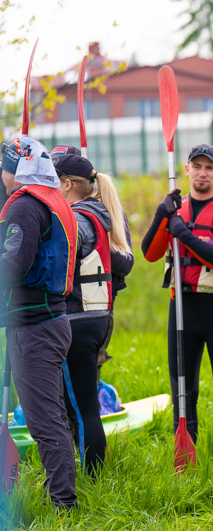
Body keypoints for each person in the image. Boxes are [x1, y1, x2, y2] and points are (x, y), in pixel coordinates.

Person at [141, 143, 213, 449]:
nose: (202, 173)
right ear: (186, 170)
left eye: (209, 167)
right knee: (182, 393)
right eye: (197, 166)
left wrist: (182, 232)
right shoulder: (175, 208)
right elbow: (150, 253)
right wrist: (162, 216)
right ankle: (185, 460)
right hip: (182, 308)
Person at [0, 136, 77, 508]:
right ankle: (60, 494)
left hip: (36, 326)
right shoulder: (49, 199)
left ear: (15, 169)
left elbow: (15, 263)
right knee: (49, 416)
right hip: (45, 320)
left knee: (44, 421)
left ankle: (62, 501)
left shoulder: (27, 207)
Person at [52, 154, 132, 475]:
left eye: (55, 181)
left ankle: (93, 478)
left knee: (83, 408)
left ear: (67, 184)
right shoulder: (99, 214)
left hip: (78, 320)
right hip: (96, 318)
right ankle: (93, 473)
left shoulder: (79, 219)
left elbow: (61, 259)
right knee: (83, 406)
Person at [50, 144, 134, 381]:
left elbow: (126, 263)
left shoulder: (103, 211)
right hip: (67, 310)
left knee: (83, 385)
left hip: (94, 307)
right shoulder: (57, 210)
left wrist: (95, 243)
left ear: (69, 181)